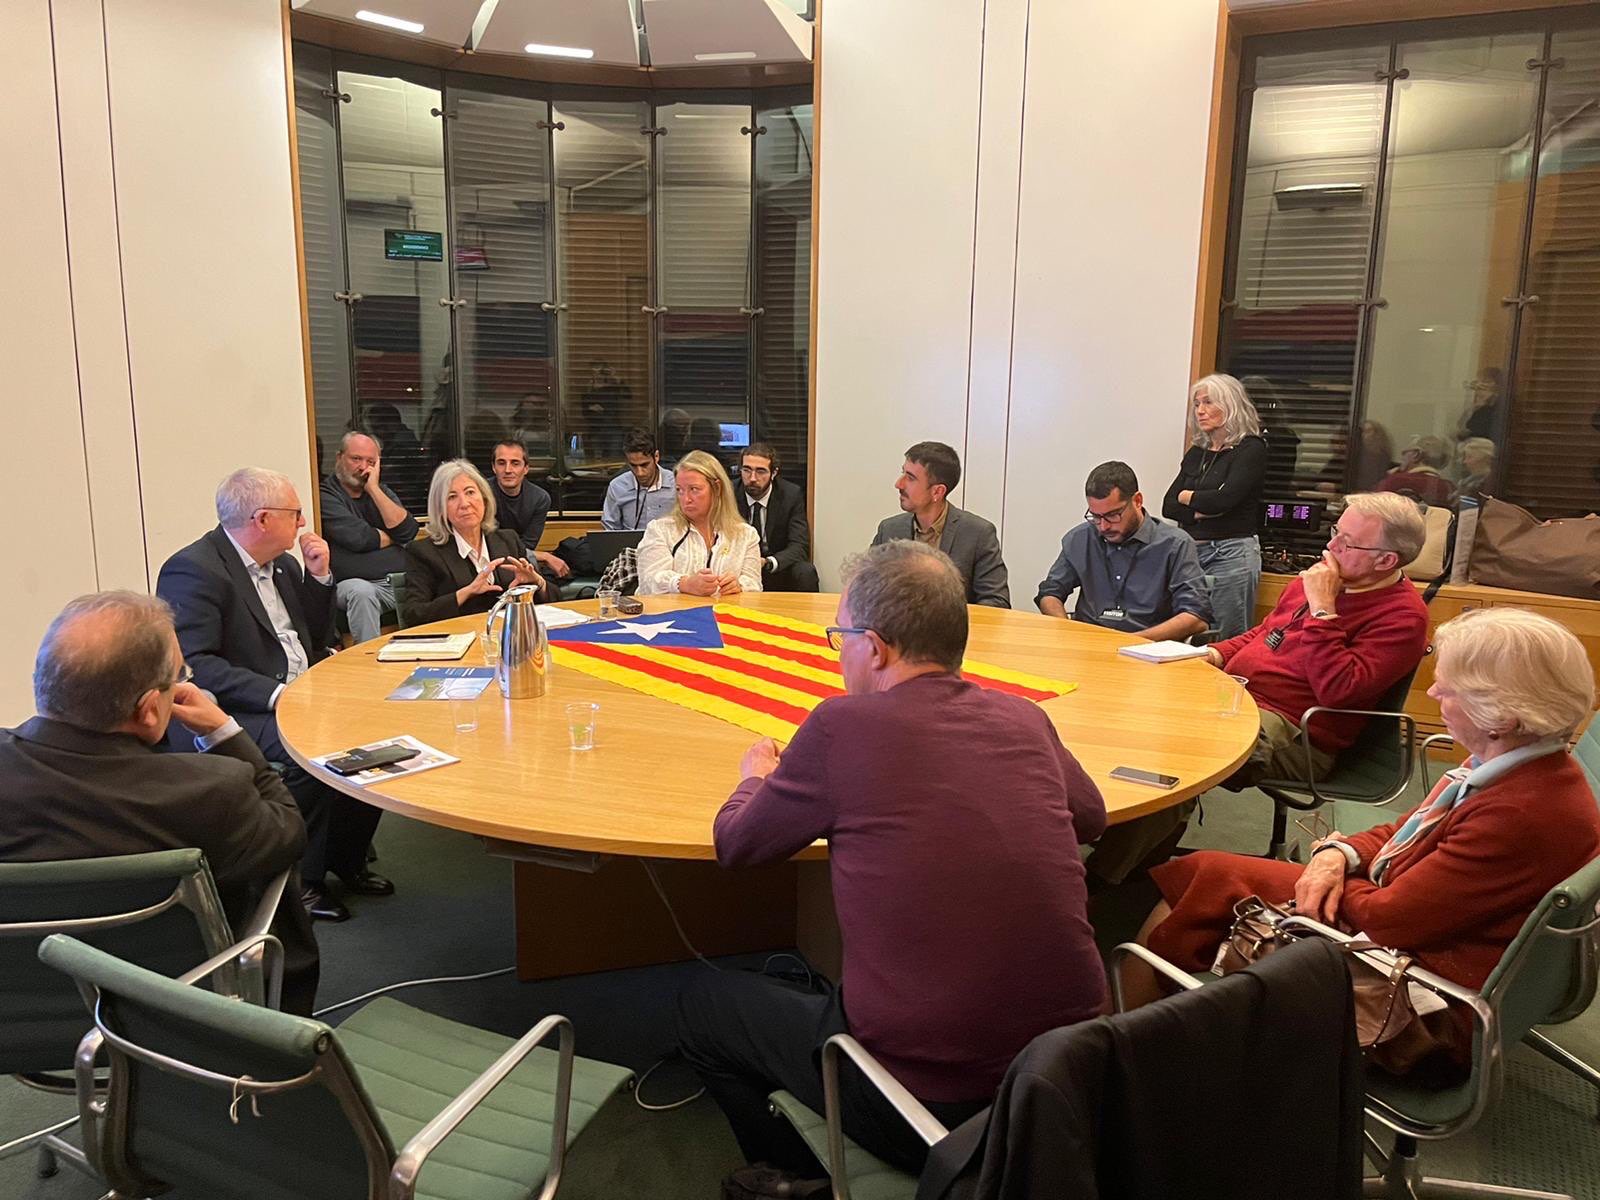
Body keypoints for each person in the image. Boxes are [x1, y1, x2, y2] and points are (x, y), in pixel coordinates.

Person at [676, 541, 1108, 1183]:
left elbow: (737, 844)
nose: (839, 653)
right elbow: (1091, 818)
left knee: (703, 1003)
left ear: (875, 649)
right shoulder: (1025, 718)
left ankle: (795, 1179)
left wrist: (754, 777)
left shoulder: (840, 726)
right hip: (1072, 1081)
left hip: (928, 1103)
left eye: (840, 638)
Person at [1125, 607, 1600, 1075]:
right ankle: (1138, 1036)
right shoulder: (1518, 766)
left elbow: (1389, 921)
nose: (1434, 692)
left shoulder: (1518, 811)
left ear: (1503, 716)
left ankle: (1126, 1056)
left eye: (1448, 688)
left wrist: (1330, 873)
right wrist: (1339, 853)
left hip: (1425, 1000)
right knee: (1205, 874)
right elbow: (1404, 828)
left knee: (1202, 886)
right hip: (1425, 931)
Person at [0, 591, 320, 1015]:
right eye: (179, 675)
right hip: (171, 1018)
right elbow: (287, 829)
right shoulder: (211, 791)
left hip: (18, 1017)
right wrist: (225, 732)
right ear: (150, 709)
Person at [1088, 492, 1430, 888]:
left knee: (1178, 755)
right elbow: (1266, 634)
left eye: (1347, 542)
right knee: (1131, 713)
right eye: (1336, 532)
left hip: (1299, 732)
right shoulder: (1320, 580)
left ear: (1386, 561)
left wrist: (1323, 608)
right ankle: (1132, 858)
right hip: (1236, 698)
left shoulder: (1402, 616)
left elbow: (1338, 690)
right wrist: (1211, 654)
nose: (1331, 545)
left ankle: (1099, 879)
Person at [156, 468, 391, 923]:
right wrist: (280, 695)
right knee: (312, 754)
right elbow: (194, 665)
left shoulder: (283, 565)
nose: (303, 523)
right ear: (263, 519)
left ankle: (347, 861)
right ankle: (301, 881)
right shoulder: (194, 569)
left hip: (300, 694)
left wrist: (319, 577)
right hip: (233, 708)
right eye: (295, 513)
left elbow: (311, 637)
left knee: (374, 736)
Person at [1038, 461, 1211, 641]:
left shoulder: (1175, 544)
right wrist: (1066, 631)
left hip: (1147, 647)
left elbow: (1196, 616)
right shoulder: (1080, 539)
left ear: (1137, 501)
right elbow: (1050, 593)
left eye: (1113, 515)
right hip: (1088, 644)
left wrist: (1132, 642)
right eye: (1095, 516)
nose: (1103, 526)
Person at [1162, 374, 1267, 639]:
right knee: (1184, 634)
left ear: (1230, 404)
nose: (1200, 410)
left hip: (1230, 554)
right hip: (1190, 553)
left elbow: (1224, 500)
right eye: (1197, 404)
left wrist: (1189, 497)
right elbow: (1169, 505)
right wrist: (1203, 505)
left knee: (1224, 637)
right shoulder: (1198, 452)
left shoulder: (1250, 448)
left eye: (1208, 402)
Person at [403, 459, 556, 625]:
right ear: (440, 508)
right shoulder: (424, 552)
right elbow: (413, 615)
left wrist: (537, 582)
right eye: (452, 497)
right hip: (460, 636)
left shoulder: (508, 540)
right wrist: (466, 592)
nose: (464, 504)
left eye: (470, 492)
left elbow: (552, 601)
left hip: (508, 636)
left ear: (484, 498)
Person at [871, 441, 1010, 608]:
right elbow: (865, 589)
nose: (898, 484)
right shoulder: (889, 529)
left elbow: (997, 602)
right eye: (903, 473)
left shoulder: (978, 534)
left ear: (937, 491)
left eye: (910, 478)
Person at [319, 431, 418, 643]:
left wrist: (373, 488)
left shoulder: (381, 492)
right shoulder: (325, 496)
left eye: (370, 462)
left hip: (395, 581)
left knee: (433, 582)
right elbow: (360, 538)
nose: (363, 467)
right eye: (356, 459)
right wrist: (393, 537)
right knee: (361, 592)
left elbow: (408, 531)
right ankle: (368, 658)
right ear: (339, 458)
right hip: (350, 586)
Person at [636, 450, 762, 596]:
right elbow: (648, 582)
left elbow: (755, 585)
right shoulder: (660, 530)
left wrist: (739, 586)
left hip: (724, 610)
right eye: (680, 490)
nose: (686, 499)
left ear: (717, 488)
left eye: (694, 489)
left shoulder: (746, 535)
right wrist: (685, 584)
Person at [735, 442, 819, 593]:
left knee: (805, 571)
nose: (752, 478)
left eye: (760, 471)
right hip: (739, 567)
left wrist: (767, 562)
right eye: (747, 470)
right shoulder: (729, 493)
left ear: (774, 473)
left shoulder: (790, 495)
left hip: (774, 566)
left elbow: (799, 546)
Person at [488, 437, 570, 587]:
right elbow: (491, 546)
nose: (508, 470)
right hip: (487, 562)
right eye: (501, 463)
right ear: (493, 467)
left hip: (521, 558)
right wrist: (544, 556)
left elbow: (527, 545)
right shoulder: (482, 495)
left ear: (526, 468)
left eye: (515, 463)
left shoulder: (540, 498)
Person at [601, 428, 678, 532]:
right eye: (633, 465)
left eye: (644, 465)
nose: (639, 473)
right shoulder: (617, 486)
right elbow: (610, 531)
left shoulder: (676, 484)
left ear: (656, 457)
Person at [1377, 435, 1455, 508]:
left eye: (1404, 453)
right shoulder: (1450, 489)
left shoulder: (1396, 481)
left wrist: (1385, 479)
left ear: (1416, 454)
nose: (1402, 457)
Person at [1457, 367, 1505, 443]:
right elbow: (1461, 428)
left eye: (1485, 387)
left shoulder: (1498, 411)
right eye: (1478, 388)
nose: (1479, 391)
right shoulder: (1478, 409)